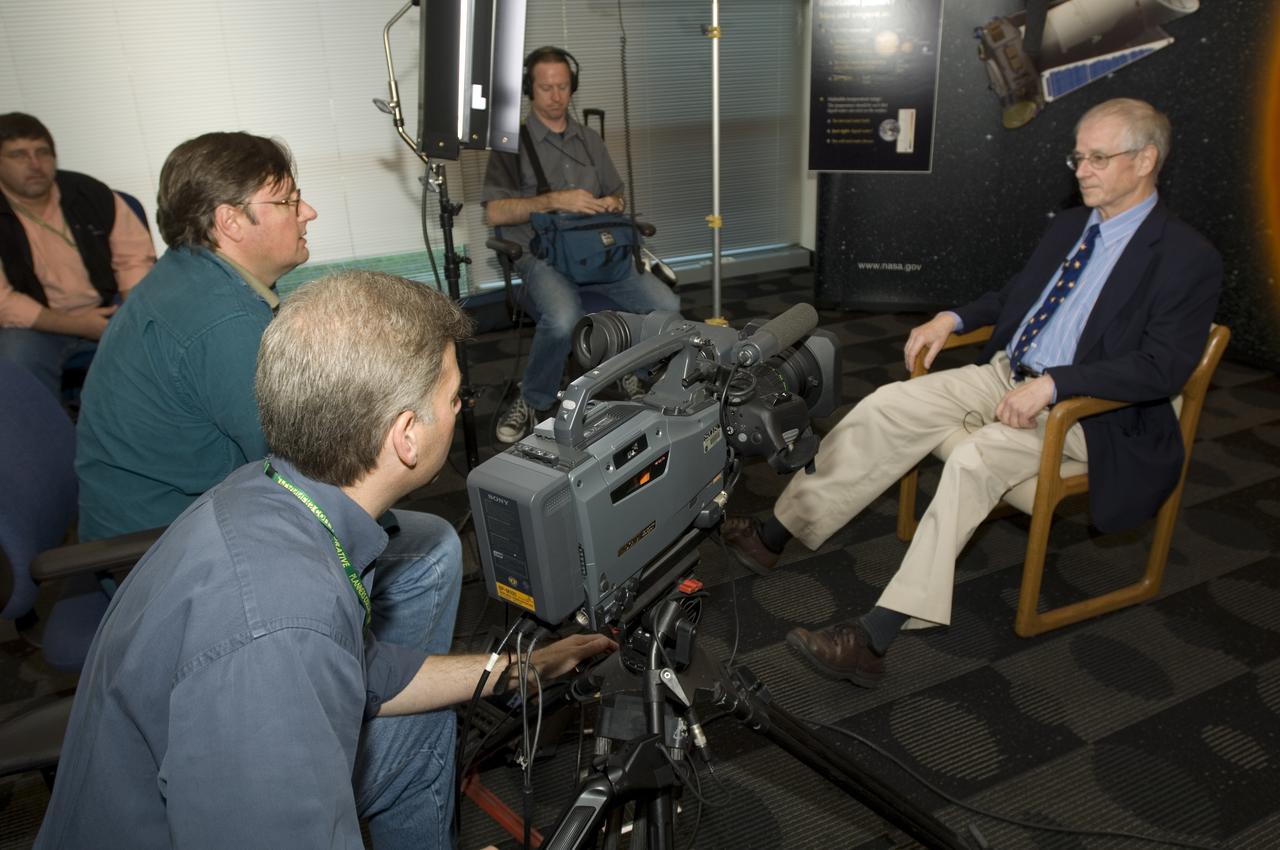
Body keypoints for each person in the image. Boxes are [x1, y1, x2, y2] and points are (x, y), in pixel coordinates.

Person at [35, 270, 614, 849]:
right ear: (406, 436)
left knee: (430, 720)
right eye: (455, 395)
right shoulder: (282, 628)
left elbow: (363, 673)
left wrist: (517, 669)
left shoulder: (266, 491)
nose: (463, 405)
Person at [722, 98, 1222, 688]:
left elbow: (1161, 369)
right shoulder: (1072, 225)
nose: (1081, 170)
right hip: (1008, 375)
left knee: (974, 458)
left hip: (1093, 416)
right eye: (1078, 156)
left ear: (1145, 161)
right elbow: (1018, 296)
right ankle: (776, 535)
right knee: (885, 404)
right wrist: (952, 319)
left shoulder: (1188, 258)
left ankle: (874, 639)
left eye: (1097, 158)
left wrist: (1059, 384)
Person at [75, 131, 317, 542]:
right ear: (230, 221)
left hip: (159, 521)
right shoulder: (222, 320)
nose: (308, 212)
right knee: (425, 558)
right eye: (288, 202)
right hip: (160, 552)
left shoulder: (187, 272)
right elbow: (301, 465)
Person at [482, 45, 680, 444]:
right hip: (543, 258)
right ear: (529, 90)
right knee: (562, 319)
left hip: (600, 256)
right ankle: (533, 396)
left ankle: (633, 374)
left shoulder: (589, 139)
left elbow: (619, 195)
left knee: (667, 306)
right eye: (545, 88)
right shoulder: (511, 145)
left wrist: (612, 203)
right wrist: (554, 200)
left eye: (563, 87)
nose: (556, 97)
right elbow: (496, 214)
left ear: (573, 87)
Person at [0, 112, 155, 398]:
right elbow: (4, 301)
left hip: (111, 309)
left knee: (155, 335)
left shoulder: (91, 193)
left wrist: (131, 315)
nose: (35, 164)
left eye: (42, 153)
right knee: (13, 362)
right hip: (37, 326)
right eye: (19, 155)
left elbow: (134, 259)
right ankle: (48, 439)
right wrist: (78, 325)